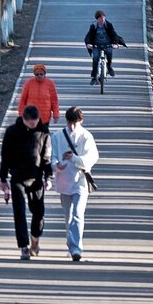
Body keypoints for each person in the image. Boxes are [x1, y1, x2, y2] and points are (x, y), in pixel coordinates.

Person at [0, 104, 54, 260]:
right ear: (24, 119)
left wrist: (48, 177)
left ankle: (35, 239)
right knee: (19, 212)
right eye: (31, 122)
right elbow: (5, 157)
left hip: (36, 178)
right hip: (17, 178)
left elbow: (46, 157)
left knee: (39, 212)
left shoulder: (43, 131)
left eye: (36, 122)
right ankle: (23, 246)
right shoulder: (11, 132)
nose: (34, 125)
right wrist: (3, 180)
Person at [51, 106, 98, 261]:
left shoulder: (86, 137)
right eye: (69, 122)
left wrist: (74, 159)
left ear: (81, 121)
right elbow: (52, 157)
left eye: (75, 123)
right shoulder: (58, 136)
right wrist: (56, 165)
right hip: (64, 182)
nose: (72, 126)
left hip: (80, 183)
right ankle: (71, 241)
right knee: (68, 216)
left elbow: (91, 159)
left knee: (77, 214)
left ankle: (76, 248)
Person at [84, 10, 127, 83]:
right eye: (100, 18)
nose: (102, 20)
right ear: (97, 19)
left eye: (103, 18)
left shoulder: (108, 25)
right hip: (96, 46)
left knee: (109, 53)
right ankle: (94, 76)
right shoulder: (93, 26)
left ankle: (109, 67)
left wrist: (115, 44)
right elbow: (88, 36)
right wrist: (88, 44)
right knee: (95, 58)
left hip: (107, 45)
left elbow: (114, 35)